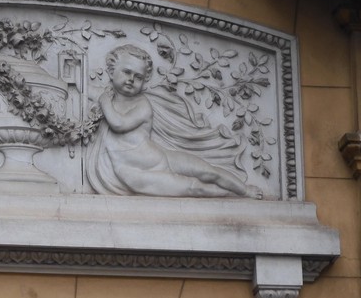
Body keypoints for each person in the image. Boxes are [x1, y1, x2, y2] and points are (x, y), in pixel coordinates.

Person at [86, 44, 262, 198]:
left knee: (209, 171)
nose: (131, 79)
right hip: (135, 174)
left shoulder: (141, 104)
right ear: (111, 71)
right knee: (194, 188)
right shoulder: (107, 97)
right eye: (127, 72)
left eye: (138, 76)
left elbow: (119, 124)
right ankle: (229, 195)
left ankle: (243, 190)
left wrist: (103, 100)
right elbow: (82, 88)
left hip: (163, 157)